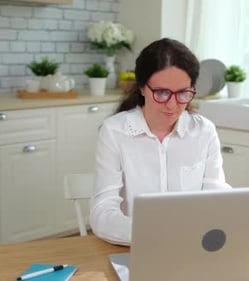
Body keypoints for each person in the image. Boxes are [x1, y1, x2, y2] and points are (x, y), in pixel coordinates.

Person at [89, 38, 231, 246]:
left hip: (191, 248)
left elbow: (216, 196)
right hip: (133, 250)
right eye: (162, 93)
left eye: (183, 93)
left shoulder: (204, 131)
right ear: (142, 88)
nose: (172, 105)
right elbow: (102, 213)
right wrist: (153, 236)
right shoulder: (114, 132)